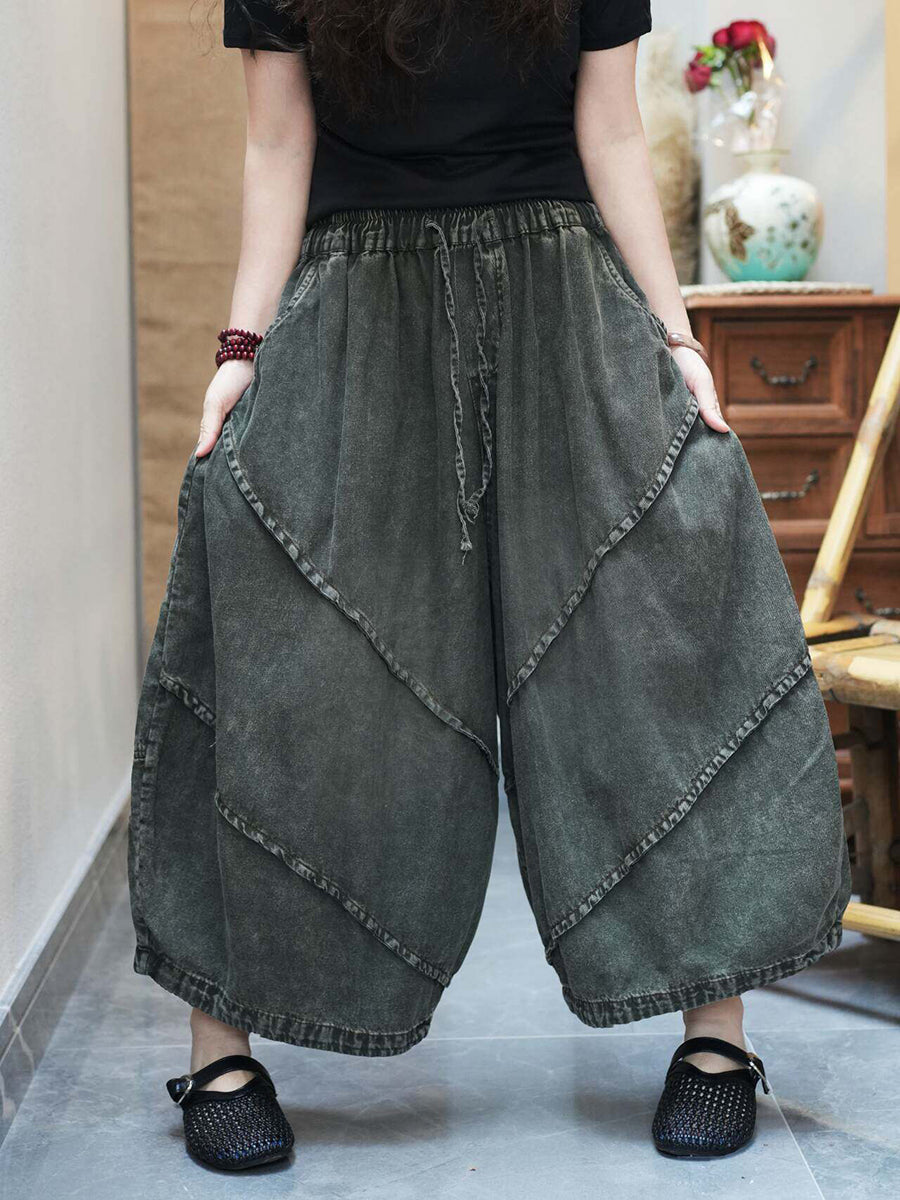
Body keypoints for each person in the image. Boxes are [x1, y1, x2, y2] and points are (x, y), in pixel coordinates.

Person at [129, 0, 851, 1171]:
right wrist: (240, 353)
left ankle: (717, 1041)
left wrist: (677, 340)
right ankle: (221, 1052)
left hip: (564, 300)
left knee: (656, 643)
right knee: (289, 656)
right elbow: (277, 142)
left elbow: (609, 130)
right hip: (359, 304)